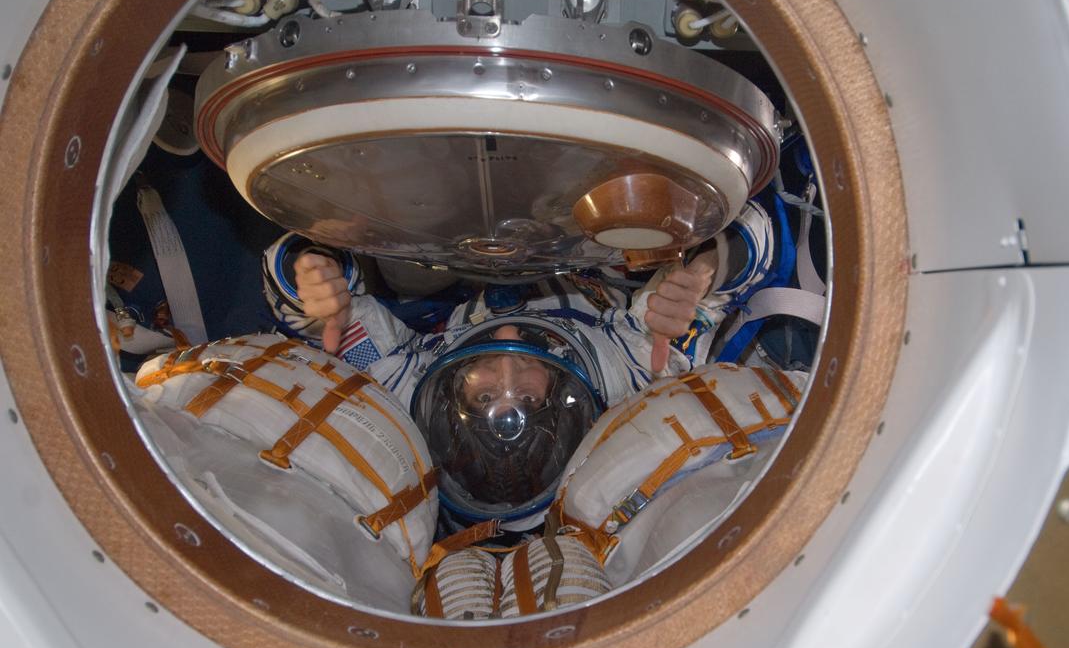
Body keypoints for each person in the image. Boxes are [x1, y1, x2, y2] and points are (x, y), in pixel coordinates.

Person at [264, 200, 776, 535]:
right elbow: (749, 228)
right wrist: (704, 271)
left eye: (483, 397)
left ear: (448, 404)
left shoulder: (404, 393)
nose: (506, 367)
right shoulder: (634, 373)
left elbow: (319, 313)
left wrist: (312, 276)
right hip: (590, 235)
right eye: (529, 399)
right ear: (564, 407)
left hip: (444, 238)